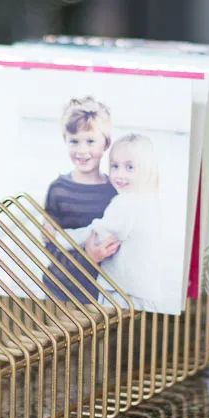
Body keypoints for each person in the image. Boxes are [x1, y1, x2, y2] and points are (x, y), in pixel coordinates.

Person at [61, 133, 162, 311]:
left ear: (147, 170)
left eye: (130, 167)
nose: (119, 174)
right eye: (115, 166)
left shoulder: (126, 203)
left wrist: (62, 237)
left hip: (123, 294)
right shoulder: (151, 200)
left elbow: (98, 233)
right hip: (145, 291)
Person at [43, 97, 117, 304]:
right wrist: (88, 257)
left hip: (98, 294)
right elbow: (49, 244)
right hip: (58, 291)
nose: (82, 150)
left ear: (106, 144)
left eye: (90, 141)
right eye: (74, 141)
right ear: (65, 140)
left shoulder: (114, 192)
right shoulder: (58, 189)